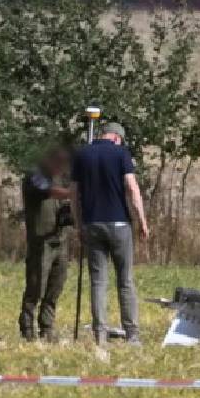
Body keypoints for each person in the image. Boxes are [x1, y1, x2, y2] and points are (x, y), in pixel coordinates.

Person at [71, 122, 149, 346]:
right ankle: (132, 334)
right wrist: (142, 221)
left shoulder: (82, 154)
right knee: (125, 280)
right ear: (116, 137)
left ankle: (100, 335)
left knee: (98, 282)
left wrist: (79, 224)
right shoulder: (121, 153)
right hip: (119, 224)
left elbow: (73, 193)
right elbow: (132, 189)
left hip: (92, 224)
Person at [19, 147, 73, 341]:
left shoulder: (61, 178)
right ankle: (27, 326)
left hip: (61, 239)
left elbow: (65, 204)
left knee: (55, 286)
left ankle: (47, 327)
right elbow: (48, 191)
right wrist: (72, 193)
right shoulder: (35, 176)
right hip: (41, 241)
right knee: (36, 286)